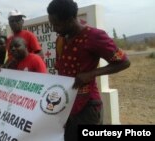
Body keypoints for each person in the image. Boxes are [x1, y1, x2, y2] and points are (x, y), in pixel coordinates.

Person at [47, 0, 131, 140]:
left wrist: (92, 73)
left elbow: (124, 62)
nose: (54, 29)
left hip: (87, 107)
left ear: (71, 19)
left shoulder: (94, 36)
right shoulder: (61, 39)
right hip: (65, 106)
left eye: (57, 24)